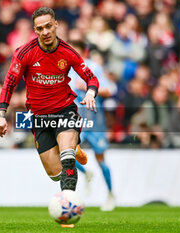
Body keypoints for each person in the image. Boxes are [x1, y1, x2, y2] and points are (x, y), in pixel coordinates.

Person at [0, 6, 99, 219]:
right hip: (39, 117)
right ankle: (74, 150)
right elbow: (9, 83)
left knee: (67, 156)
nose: (45, 32)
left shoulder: (68, 52)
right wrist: (1, 114)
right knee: (55, 174)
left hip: (65, 110)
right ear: (35, 30)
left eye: (48, 26)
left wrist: (90, 92)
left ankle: (68, 208)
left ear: (56, 25)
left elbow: (91, 76)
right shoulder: (25, 53)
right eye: (40, 28)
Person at [68, 40, 116, 211]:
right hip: (74, 120)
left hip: (94, 120)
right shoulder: (63, 69)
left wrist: (89, 87)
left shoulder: (93, 68)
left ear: (84, 53)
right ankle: (86, 173)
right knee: (65, 150)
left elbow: (110, 89)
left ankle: (110, 194)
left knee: (100, 158)